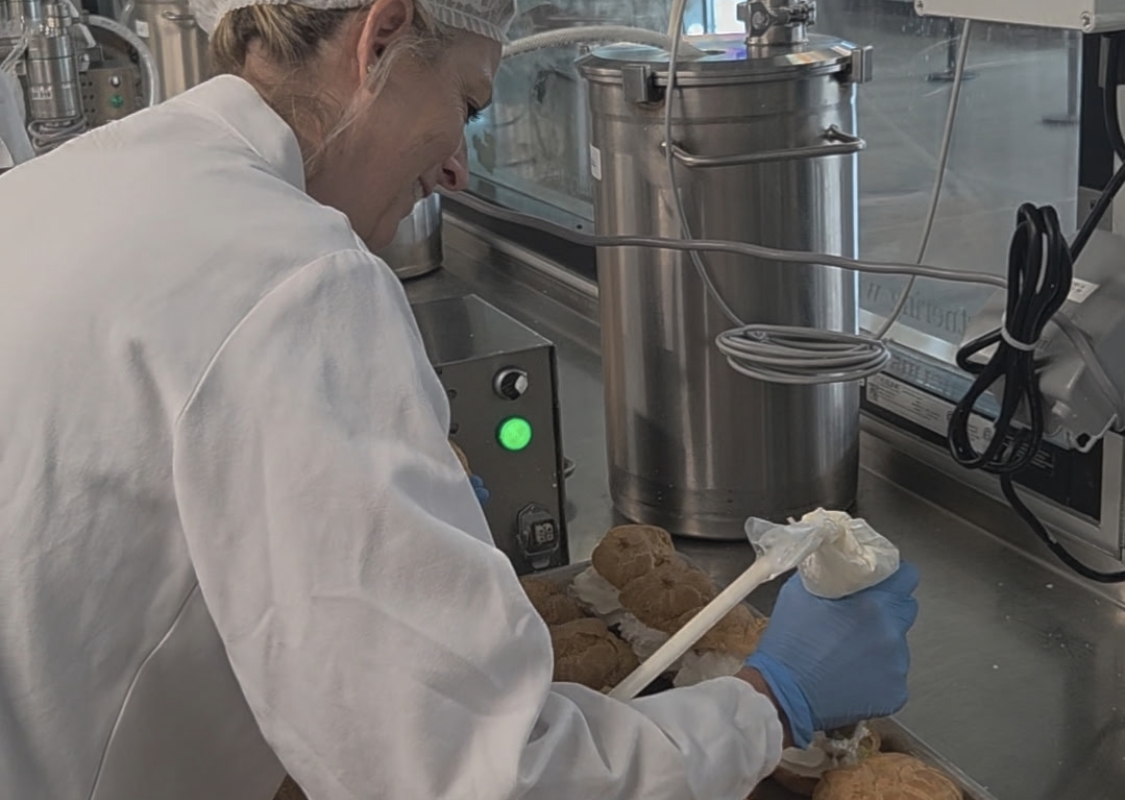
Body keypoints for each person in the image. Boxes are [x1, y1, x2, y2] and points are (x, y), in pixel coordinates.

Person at [0, 0, 920, 798]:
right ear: (383, 35)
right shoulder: (292, 277)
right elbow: (468, 780)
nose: (457, 173)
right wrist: (773, 700)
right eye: (467, 106)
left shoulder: (73, 184)